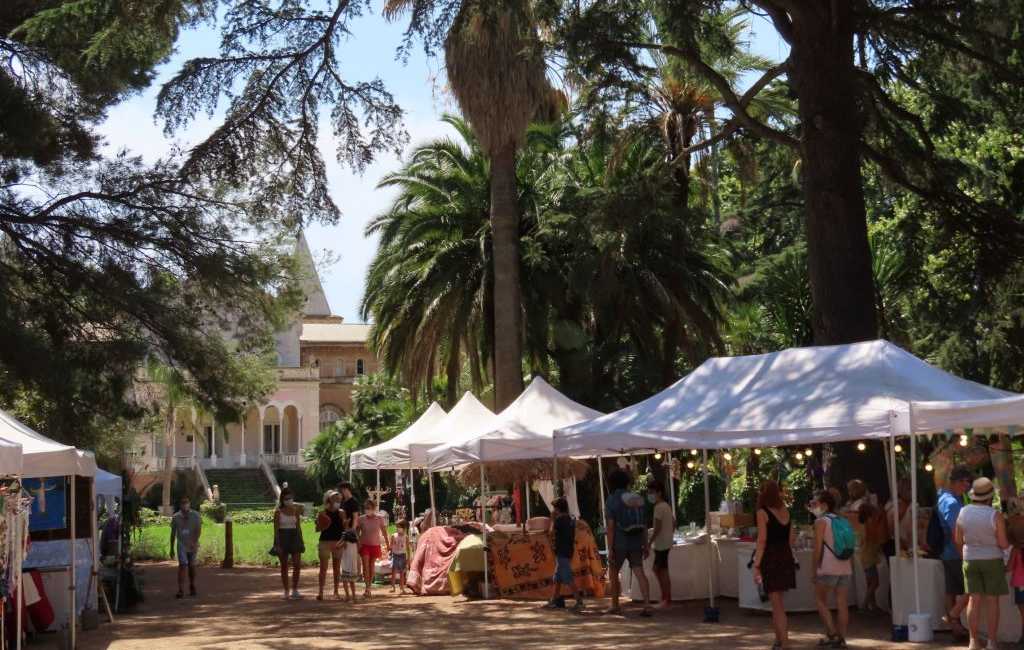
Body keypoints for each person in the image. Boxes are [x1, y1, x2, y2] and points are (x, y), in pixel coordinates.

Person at [955, 476, 1010, 650]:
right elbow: (1003, 543)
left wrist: (965, 555)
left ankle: (973, 641)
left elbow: (958, 540)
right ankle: (991, 642)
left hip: (970, 559)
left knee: (973, 600)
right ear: (990, 496)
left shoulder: (963, 512)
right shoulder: (995, 515)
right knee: (992, 601)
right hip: (992, 560)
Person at [753, 480, 796, 650]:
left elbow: (762, 540)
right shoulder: (786, 511)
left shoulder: (762, 513)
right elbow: (791, 539)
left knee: (777, 606)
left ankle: (784, 643)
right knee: (777, 603)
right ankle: (779, 640)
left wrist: (757, 564)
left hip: (771, 558)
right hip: (785, 556)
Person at [604, 468, 652, 617]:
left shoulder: (612, 499)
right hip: (636, 541)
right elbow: (644, 524)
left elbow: (610, 526)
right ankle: (647, 605)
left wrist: (610, 548)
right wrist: (645, 544)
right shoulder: (637, 498)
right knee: (639, 572)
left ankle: (615, 605)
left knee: (613, 572)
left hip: (619, 542)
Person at [811, 489, 852, 649]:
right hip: (844, 566)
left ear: (825, 505)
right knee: (842, 603)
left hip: (827, 567)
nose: (815, 506)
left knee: (821, 601)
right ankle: (841, 638)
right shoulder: (842, 519)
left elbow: (817, 549)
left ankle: (832, 634)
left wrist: (813, 569)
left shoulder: (821, 522)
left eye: (817, 503)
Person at [939, 465, 974, 640]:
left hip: (948, 552)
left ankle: (955, 627)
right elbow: (956, 532)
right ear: (955, 482)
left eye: (968, 482)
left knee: (951, 590)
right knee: (973, 587)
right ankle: (954, 617)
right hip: (955, 552)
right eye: (964, 482)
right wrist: (963, 554)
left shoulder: (945, 497)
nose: (966, 486)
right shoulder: (952, 502)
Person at [546, 497, 584, 612]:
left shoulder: (559, 520)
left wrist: (552, 519)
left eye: (554, 508)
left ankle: (579, 602)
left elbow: (551, 532)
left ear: (558, 509)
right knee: (558, 577)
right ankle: (554, 600)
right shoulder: (570, 519)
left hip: (562, 551)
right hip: (567, 550)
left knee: (567, 577)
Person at [647, 479, 674, 609]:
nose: (650, 495)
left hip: (661, 544)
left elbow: (657, 528)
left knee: (661, 570)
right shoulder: (666, 506)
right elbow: (673, 522)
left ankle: (666, 598)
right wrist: (669, 534)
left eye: (652, 492)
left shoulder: (658, 507)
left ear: (659, 493)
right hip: (665, 542)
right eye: (649, 492)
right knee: (659, 569)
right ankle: (665, 597)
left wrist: (649, 542)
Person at [274, 487, 305, 600]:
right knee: (284, 566)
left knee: (297, 564)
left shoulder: (296, 510)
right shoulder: (278, 512)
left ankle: (295, 590)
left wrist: (301, 540)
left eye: (290, 498)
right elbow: (276, 530)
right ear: (282, 499)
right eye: (286, 498)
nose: (289, 500)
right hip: (283, 537)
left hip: (295, 537)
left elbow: (298, 527)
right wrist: (277, 544)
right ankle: (286, 590)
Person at [169, 495, 201, 599]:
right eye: (183, 503)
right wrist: (171, 548)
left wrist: (194, 542)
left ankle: (192, 585)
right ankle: (181, 589)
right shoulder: (176, 517)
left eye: (186, 502)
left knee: (191, 565)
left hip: (192, 543)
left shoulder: (196, 515)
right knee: (182, 565)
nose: (185, 505)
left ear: (189, 504)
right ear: (180, 505)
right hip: (181, 544)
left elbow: (198, 530)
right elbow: (173, 533)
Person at [357, 498, 389, 599]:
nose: (367, 510)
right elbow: (357, 532)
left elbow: (384, 531)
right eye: (366, 508)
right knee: (365, 566)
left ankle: (369, 587)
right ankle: (367, 588)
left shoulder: (379, 518)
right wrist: (358, 543)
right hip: (364, 545)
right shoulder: (361, 519)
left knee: (371, 567)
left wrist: (388, 544)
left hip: (375, 545)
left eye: (369, 508)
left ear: (374, 508)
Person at [315, 490, 345, 601]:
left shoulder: (342, 512)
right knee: (323, 568)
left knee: (337, 568)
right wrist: (324, 524)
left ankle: (336, 592)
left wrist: (343, 541)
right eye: (335, 498)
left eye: (338, 499)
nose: (337, 501)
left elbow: (345, 528)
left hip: (338, 542)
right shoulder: (322, 513)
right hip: (325, 542)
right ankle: (320, 592)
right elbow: (317, 529)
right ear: (329, 500)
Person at [390, 520, 411, 594]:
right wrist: (390, 552)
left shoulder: (406, 537)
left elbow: (408, 548)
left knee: (402, 572)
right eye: (397, 527)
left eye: (399, 527)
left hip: (402, 555)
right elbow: (391, 545)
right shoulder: (393, 535)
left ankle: (402, 587)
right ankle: (393, 586)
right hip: (395, 555)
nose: (398, 528)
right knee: (393, 571)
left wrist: (408, 558)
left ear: (404, 528)